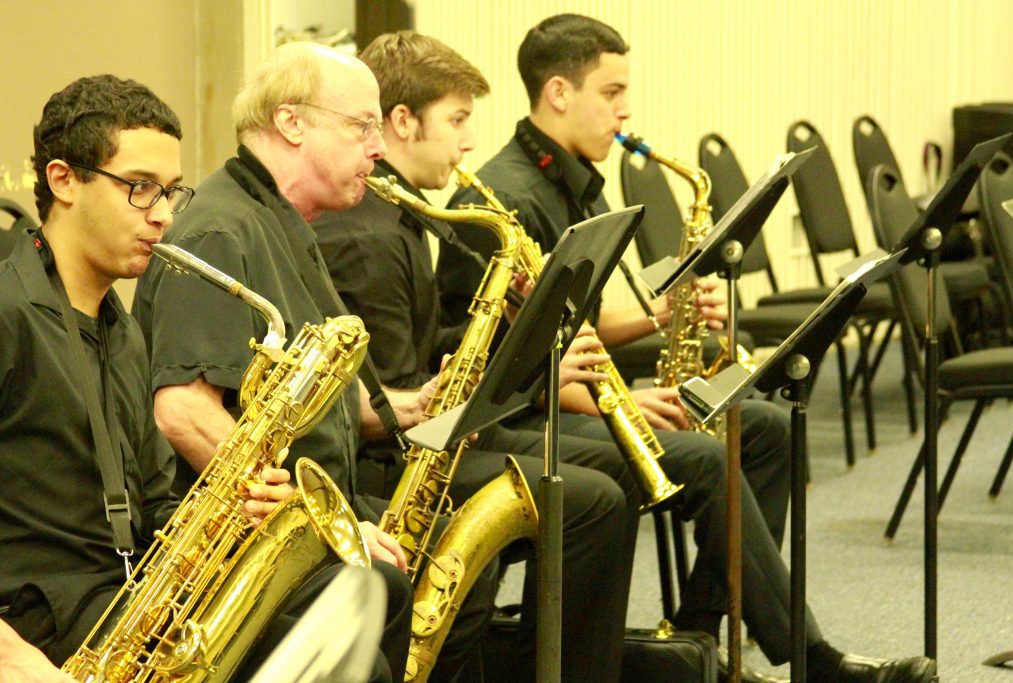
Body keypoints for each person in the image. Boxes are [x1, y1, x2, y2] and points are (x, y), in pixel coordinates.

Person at [436, 14, 938, 683]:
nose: (625, 110)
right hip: (526, 417)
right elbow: (500, 359)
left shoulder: (566, 180)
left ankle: (697, 636)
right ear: (558, 93)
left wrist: (662, 315)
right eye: (611, 92)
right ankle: (809, 657)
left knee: (764, 428)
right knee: (705, 454)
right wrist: (625, 403)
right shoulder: (509, 195)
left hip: (577, 395)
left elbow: (576, 325)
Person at [130, 43, 519, 682]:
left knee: (454, 568)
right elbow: (183, 411)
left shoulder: (284, 224)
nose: (378, 147)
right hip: (243, 539)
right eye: (362, 126)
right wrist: (326, 525)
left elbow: (321, 401)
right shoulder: (222, 231)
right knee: (393, 585)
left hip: (318, 500)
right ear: (291, 123)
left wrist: (416, 408)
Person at [312, 31, 639, 683]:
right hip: (395, 463)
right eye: (457, 120)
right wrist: (527, 370)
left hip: (433, 436)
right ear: (404, 122)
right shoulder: (368, 237)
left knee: (608, 478)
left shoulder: (399, 220)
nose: (468, 143)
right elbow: (398, 405)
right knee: (596, 498)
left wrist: (518, 329)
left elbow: (425, 356)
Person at [0, 75, 297, 674]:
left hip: (125, 606)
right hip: (39, 633)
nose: (162, 216)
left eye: (170, 192)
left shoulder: (124, 331)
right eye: (139, 188)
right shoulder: (8, 315)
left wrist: (232, 515)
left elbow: (155, 503)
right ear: (63, 180)